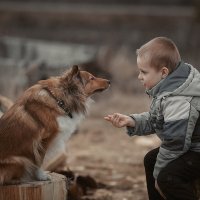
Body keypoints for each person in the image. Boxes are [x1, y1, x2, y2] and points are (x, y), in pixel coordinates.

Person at [104, 36, 200, 200]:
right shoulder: (171, 89)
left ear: (164, 72)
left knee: (166, 178)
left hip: (194, 149)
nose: (139, 77)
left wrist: (158, 176)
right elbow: (160, 119)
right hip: (189, 146)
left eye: (144, 72)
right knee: (151, 159)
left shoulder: (180, 99)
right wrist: (132, 120)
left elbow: (175, 142)